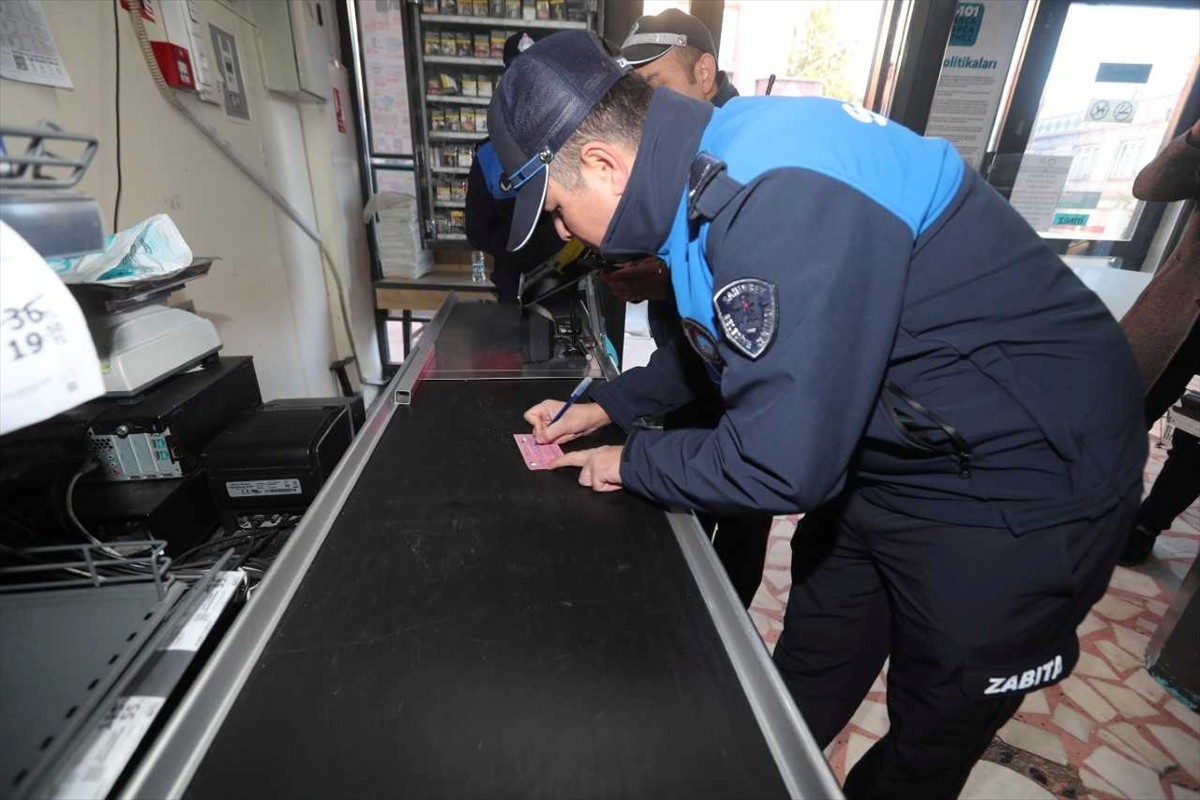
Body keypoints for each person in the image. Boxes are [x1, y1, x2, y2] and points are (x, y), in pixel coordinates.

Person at [489, 31, 1146, 797]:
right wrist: (610, 405)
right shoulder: (711, 166)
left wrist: (632, 460)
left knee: (931, 731)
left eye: (560, 211)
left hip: (1025, 484)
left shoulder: (778, 193)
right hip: (891, 454)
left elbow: (780, 463)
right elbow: (734, 346)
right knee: (808, 668)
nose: (564, 233)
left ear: (603, 164)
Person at [571, 10, 770, 609]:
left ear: (705, 71)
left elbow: (775, 456)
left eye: (654, 88)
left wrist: (632, 460)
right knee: (681, 526)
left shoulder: (747, 166)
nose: (644, 112)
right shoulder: (676, 159)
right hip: (691, 368)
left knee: (735, 536)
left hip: (747, 402)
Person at [1119, 117, 1200, 565]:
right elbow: (1149, 186)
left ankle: (1149, 522)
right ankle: (1091, 505)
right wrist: (1191, 139)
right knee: (1122, 406)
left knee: (1199, 437)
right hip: (1181, 308)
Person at [464, 31, 564, 301]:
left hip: (573, 285)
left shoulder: (574, 142)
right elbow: (477, 231)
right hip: (514, 289)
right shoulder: (488, 156)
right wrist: (526, 250)